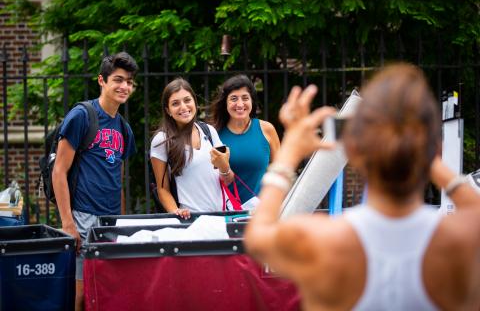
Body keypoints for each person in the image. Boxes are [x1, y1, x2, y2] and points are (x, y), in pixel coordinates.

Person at [244, 63, 480, 310]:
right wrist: (432, 160)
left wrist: (289, 151)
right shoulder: (462, 239)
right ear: (434, 149)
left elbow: (257, 237)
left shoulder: (322, 240)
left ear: (353, 153)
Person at [52, 52, 138, 311]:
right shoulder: (82, 115)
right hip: (82, 216)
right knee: (79, 293)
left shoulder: (124, 128)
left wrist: (120, 221)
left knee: (104, 292)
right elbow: (59, 171)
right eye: (118, 80)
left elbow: (117, 179)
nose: (125, 87)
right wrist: (68, 223)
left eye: (130, 82)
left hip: (110, 220)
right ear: (102, 80)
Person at [150, 78, 234, 218]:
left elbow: (229, 179)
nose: (183, 107)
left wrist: (224, 167)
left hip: (222, 217)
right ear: (168, 110)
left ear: (195, 102)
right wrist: (176, 212)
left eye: (187, 100)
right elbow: (162, 190)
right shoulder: (162, 140)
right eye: (175, 103)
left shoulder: (209, 131)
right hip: (191, 221)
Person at [209, 75, 280, 206]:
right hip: (225, 213)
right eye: (234, 99)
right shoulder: (214, 134)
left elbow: (280, 173)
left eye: (245, 98)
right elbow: (210, 179)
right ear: (225, 103)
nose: (240, 104)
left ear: (252, 101)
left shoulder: (267, 129)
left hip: (261, 212)